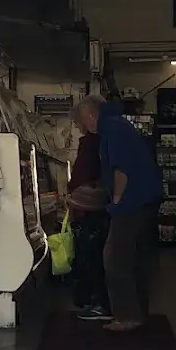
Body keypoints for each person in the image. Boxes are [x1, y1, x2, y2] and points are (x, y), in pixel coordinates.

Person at [74, 95, 163, 332]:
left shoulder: (112, 129)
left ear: (91, 114)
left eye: (83, 120)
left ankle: (126, 316)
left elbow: (121, 168)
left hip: (131, 203)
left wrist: (116, 199)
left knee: (115, 259)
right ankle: (138, 313)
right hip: (145, 199)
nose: (84, 125)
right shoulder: (119, 124)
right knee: (136, 260)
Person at [67, 110, 110, 320]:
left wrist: (73, 195)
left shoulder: (90, 143)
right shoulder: (103, 141)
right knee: (96, 255)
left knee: (91, 255)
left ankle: (98, 303)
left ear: (89, 117)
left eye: (78, 120)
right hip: (101, 205)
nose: (77, 125)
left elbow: (81, 175)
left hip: (91, 207)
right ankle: (99, 301)